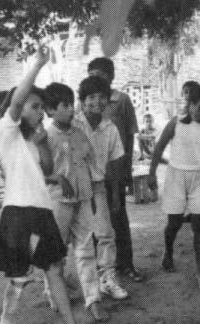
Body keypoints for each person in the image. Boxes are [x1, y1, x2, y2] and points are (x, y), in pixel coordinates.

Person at [0, 46, 94, 324]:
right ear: (18, 108)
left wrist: (44, 145)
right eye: (34, 106)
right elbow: (18, 99)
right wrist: (37, 65)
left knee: (55, 270)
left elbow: (45, 169)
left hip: (41, 211)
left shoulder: (34, 139)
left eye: (39, 107)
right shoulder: (6, 133)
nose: (38, 111)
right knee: (19, 277)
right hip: (19, 213)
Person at [148, 85, 200, 289]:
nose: (195, 109)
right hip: (175, 177)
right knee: (173, 223)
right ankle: (168, 250)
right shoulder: (177, 123)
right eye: (193, 104)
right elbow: (159, 147)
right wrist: (151, 173)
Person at [43, 82, 110, 322]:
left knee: (86, 250)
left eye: (72, 104)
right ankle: (53, 292)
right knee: (57, 251)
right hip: (58, 203)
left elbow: (91, 167)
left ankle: (92, 299)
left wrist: (91, 196)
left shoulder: (80, 134)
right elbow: (39, 172)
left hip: (82, 200)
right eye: (64, 105)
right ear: (50, 110)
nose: (71, 109)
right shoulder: (45, 137)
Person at [73, 75, 130, 298]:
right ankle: (60, 284)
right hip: (73, 189)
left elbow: (115, 164)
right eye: (91, 97)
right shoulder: (74, 125)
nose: (97, 102)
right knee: (73, 238)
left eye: (102, 97)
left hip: (98, 187)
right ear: (82, 100)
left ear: (108, 100)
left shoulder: (110, 128)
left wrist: (115, 193)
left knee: (106, 233)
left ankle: (107, 278)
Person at [87, 57, 142, 282]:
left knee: (119, 218)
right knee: (94, 223)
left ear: (111, 77)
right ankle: (99, 270)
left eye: (99, 75)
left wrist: (127, 168)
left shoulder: (122, 100)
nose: (95, 80)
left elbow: (129, 135)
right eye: (91, 75)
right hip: (92, 175)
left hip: (115, 171)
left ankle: (126, 265)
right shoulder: (87, 101)